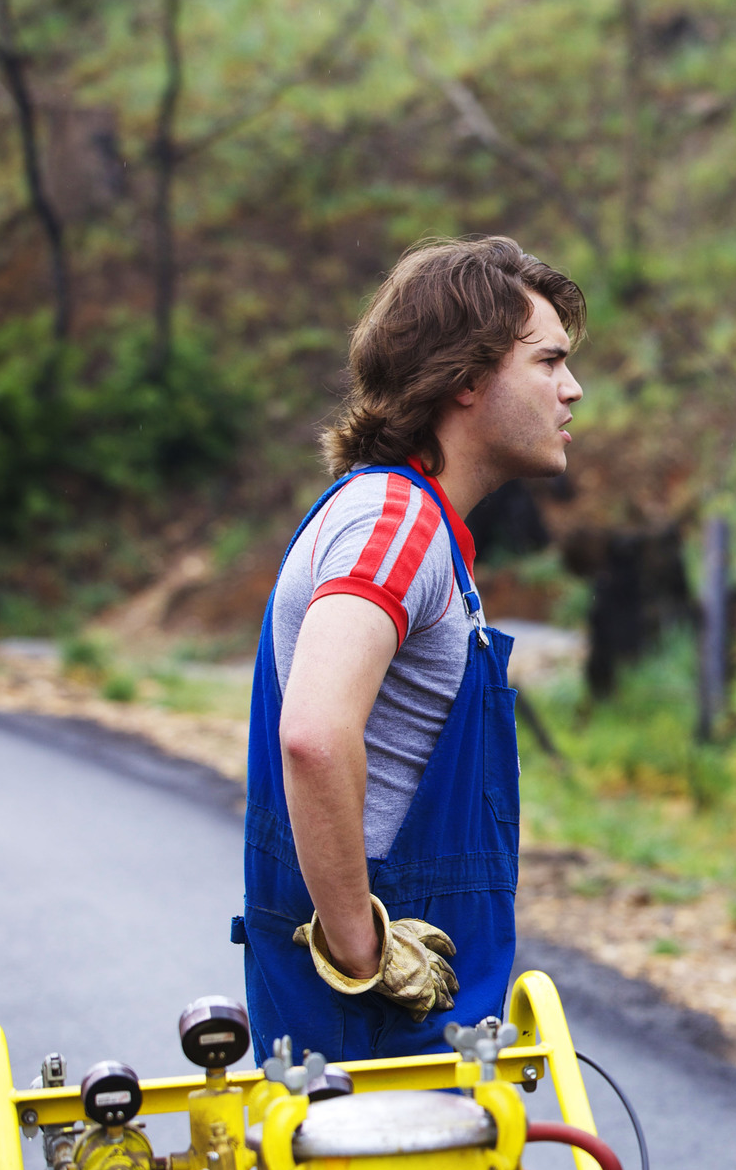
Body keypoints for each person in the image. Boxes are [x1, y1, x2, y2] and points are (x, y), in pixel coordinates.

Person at [236, 235, 584, 1061]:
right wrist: (361, 952)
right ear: (465, 378)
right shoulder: (396, 523)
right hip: (371, 1024)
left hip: (403, 1021)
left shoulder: (414, 529)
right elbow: (315, 735)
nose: (573, 390)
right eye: (547, 362)